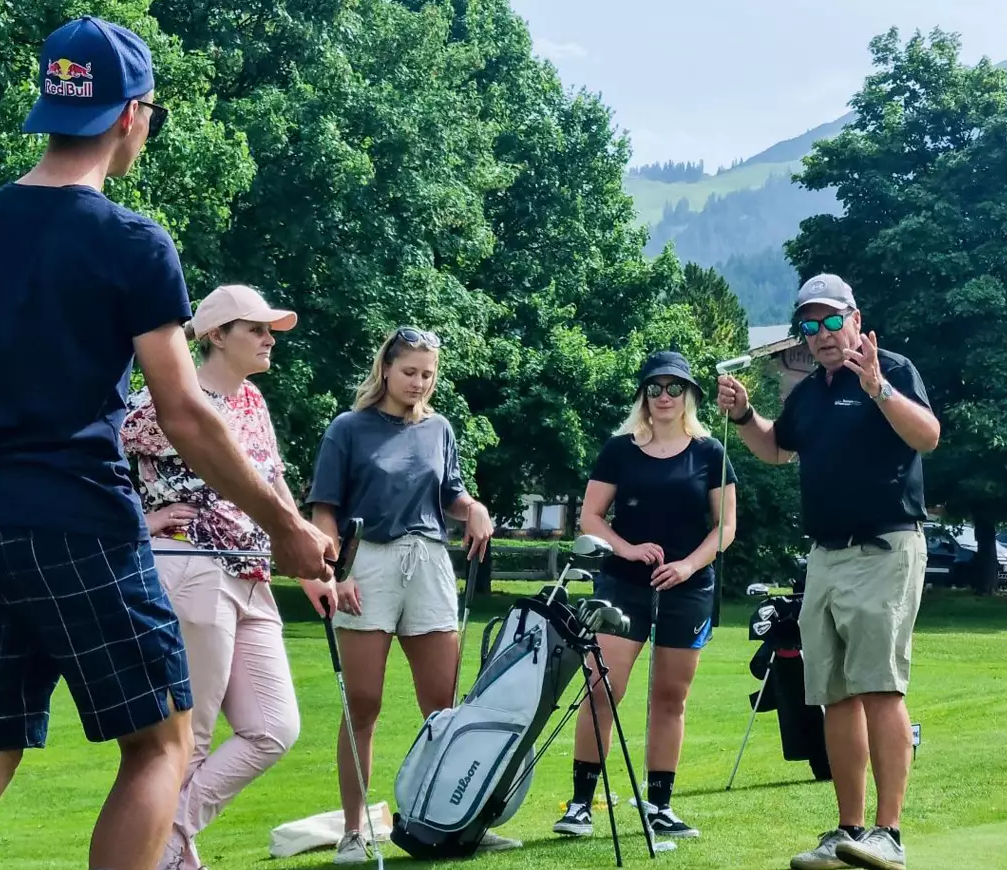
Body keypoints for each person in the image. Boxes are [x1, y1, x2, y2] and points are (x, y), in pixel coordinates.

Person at [0, 16, 335, 870]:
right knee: (160, 746)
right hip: (81, 526)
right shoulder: (133, 242)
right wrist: (286, 524)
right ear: (132, 116)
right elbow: (184, 414)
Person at [717, 275, 941, 870]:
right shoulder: (809, 393)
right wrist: (745, 417)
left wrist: (878, 389)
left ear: (854, 317)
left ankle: (888, 835)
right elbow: (776, 448)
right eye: (808, 326)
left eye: (829, 321)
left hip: (884, 548)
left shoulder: (891, 367)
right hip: (825, 557)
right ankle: (848, 831)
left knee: (879, 686)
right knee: (833, 696)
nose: (819, 335)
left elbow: (929, 435)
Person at [305, 326, 512, 864]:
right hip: (366, 562)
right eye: (409, 372)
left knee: (444, 707)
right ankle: (354, 832)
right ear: (386, 370)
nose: (419, 382)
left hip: (429, 562)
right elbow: (323, 509)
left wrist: (477, 509)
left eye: (428, 374)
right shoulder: (348, 429)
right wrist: (335, 570)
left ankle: (458, 820)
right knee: (364, 704)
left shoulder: (440, 429)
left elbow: (453, 495)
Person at [119, 284, 308, 870]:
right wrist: (140, 520)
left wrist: (304, 540)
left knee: (275, 728)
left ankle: (168, 839)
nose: (268, 338)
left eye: (270, 329)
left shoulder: (251, 401)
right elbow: (96, 464)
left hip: (252, 572)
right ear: (217, 335)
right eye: (256, 328)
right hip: (188, 567)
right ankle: (169, 856)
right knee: (188, 739)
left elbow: (273, 482)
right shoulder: (164, 401)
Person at [552, 351, 738, 841]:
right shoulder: (619, 449)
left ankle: (659, 805)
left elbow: (726, 528)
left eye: (674, 388)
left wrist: (687, 566)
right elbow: (590, 517)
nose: (663, 397)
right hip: (622, 585)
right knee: (602, 688)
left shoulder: (710, 452)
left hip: (687, 588)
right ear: (643, 394)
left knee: (670, 698)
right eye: (654, 388)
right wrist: (628, 549)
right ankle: (580, 803)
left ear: (689, 396)